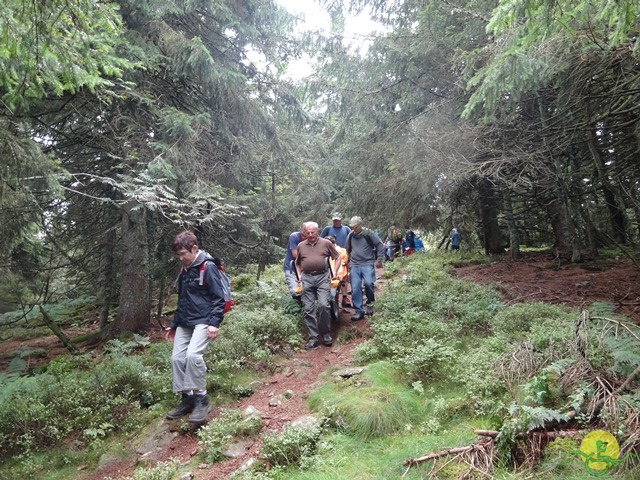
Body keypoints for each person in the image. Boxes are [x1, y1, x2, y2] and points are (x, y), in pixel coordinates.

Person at [165, 230, 226, 425]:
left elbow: (219, 298)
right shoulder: (185, 270)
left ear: (194, 248)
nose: (181, 258)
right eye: (178, 255)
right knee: (177, 358)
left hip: (204, 320)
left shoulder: (208, 267)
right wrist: (173, 325)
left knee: (193, 356)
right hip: (185, 321)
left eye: (184, 253)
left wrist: (214, 323)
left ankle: (202, 399)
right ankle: (187, 398)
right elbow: (183, 299)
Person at [295, 222, 341, 349]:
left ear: (317, 231)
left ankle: (326, 334)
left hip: (322, 277)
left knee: (324, 305)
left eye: (313, 232)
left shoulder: (326, 243)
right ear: (304, 233)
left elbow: (337, 258)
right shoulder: (301, 246)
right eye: (308, 233)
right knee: (308, 308)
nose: (311, 235)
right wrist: (299, 277)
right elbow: (297, 263)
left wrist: (335, 272)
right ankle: (313, 337)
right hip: (307, 278)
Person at [346, 216, 385, 321]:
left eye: (356, 227)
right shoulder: (350, 235)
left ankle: (370, 305)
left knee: (368, 283)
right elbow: (347, 249)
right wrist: (347, 260)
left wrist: (379, 259)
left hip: (367, 262)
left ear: (360, 225)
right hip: (354, 264)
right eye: (352, 227)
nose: (354, 229)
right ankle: (359, 311)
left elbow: (380, 245)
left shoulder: (368, 233)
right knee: (355, 287)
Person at [283, 223, 308, 303]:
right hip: (291, 268)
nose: (305, 237)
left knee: (305, 289)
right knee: (295, 291)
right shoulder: (294, 236)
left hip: (305, 269)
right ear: (300, 231)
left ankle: (306, 306)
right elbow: (295, 255)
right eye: (303, 234)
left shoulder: (312, 238)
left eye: (306, 234)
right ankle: (298, 306)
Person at [326, 235, 351, 307]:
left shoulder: (340, 250)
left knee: (343, 273)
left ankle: (344, 297)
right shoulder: (323, 250)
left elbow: (343, 261)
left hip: (338, 270)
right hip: (328, 270)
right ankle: (344, 297)